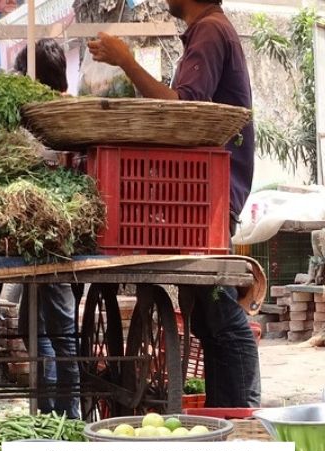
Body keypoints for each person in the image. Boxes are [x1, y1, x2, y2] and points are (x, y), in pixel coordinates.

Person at [87, 0, 260, 408]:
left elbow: (184, 108)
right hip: (204, 193)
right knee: (207, 316)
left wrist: (128, 62)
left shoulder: (211, 31)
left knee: (221, 315)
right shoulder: (207, 32)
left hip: (213, 193)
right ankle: (226, 417)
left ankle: (242, 418)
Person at [12, 39, 81, 418]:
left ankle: (63, 417)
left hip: (56, 238)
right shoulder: (36, 115)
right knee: (35, 328)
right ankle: (55, 412)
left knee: (59, 333)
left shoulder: (57, 115)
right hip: (38, 239)